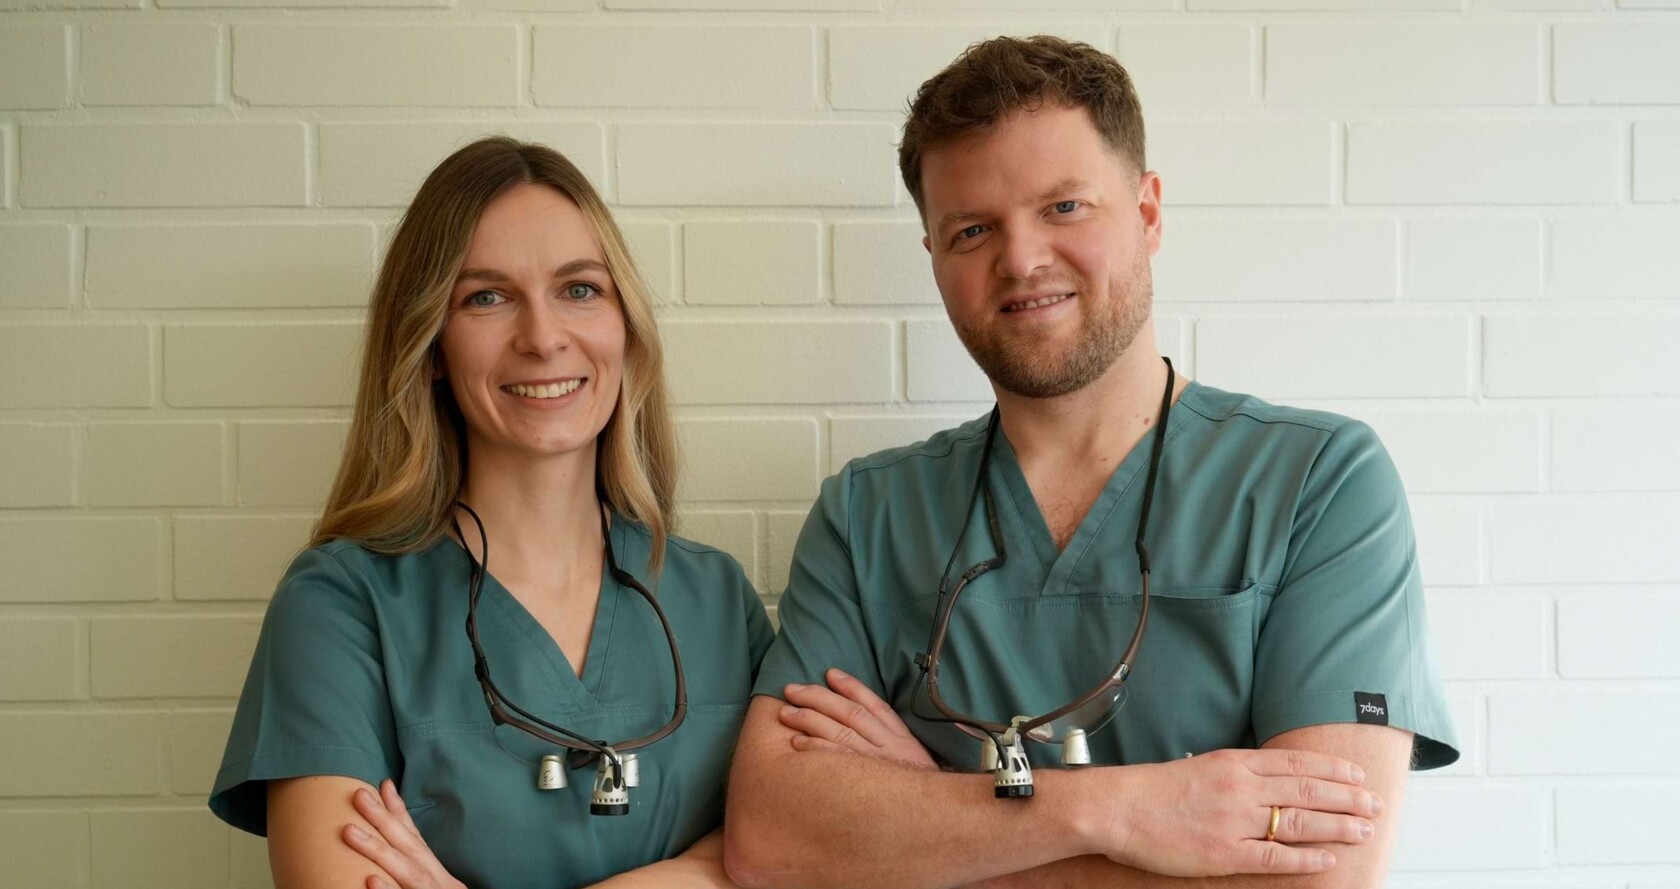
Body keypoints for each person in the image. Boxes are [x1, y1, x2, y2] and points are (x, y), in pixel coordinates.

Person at [722, 35, 1459, 889]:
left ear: (1147, 213)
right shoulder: (866, 514)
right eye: (972, 229)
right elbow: (773, 840)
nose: (1023, 258)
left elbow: (1321, 876)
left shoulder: (1318, 482)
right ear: (934, 257)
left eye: (1064, 207)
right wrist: (1128, 812)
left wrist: (934, 814)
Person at [208, 137, 772, 889]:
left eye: (580, 288)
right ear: (432, 344)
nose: (542, 337)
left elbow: (794, 857)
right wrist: (701, 870)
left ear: (625, 326)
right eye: (487, 296)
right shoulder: (341, 604)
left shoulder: (716, 599)